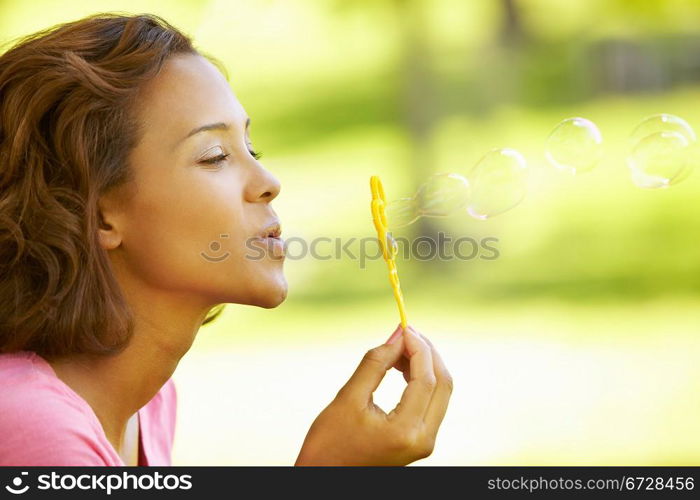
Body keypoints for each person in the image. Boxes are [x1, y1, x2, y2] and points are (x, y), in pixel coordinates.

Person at [0, 12, 452, 466]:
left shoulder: (149, 408)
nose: (268, 181)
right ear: (99, 214)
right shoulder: (33, 426)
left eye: (251, 150)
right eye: (215, 156)